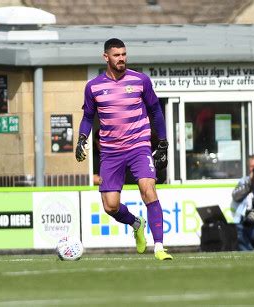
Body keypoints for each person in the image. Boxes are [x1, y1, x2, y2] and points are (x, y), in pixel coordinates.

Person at [75, 38, 172, 260]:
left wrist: (163, 143)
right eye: (117, 55)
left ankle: (159, 247)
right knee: (110, 207)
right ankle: (136, 223)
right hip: (111, 152)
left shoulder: (141, 81)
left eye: (124, 54)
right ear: (106, 57)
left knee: (148, 188)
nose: (122, 59)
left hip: (139, 146)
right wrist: (82, 138)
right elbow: (88, 117)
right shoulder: (93, 87)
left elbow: (156, 112)